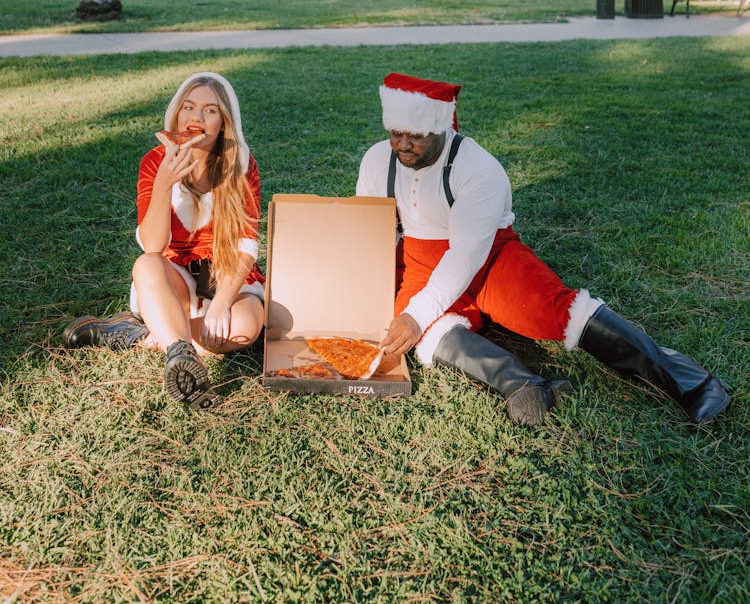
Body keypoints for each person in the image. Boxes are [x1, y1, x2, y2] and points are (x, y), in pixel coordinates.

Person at [357, 72, 731, 428]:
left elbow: (466, 255)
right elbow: (374, 231)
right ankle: (521, 383)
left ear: (441, 126)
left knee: (555, 310)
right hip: (420, 258)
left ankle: (690, 382)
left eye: (416, 136)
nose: (404, 144)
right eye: (396, 134)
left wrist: (417, 313)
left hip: (488, 256)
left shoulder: (478, 168)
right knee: (405, 325)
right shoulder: (377, 160)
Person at [64, 72, 265, 410]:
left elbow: (246, 244)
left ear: (224, 122)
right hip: (176, 278)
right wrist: (163, 184)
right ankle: (181, 350)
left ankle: (144, 337)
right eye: (188, 107)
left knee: (246, 327)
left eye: (210, 110)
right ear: (176, 113)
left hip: (229, 274)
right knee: (145, 265)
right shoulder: (155, 160)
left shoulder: (241, 164)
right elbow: (153, 246)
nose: (196, 118)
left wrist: (221, 302)